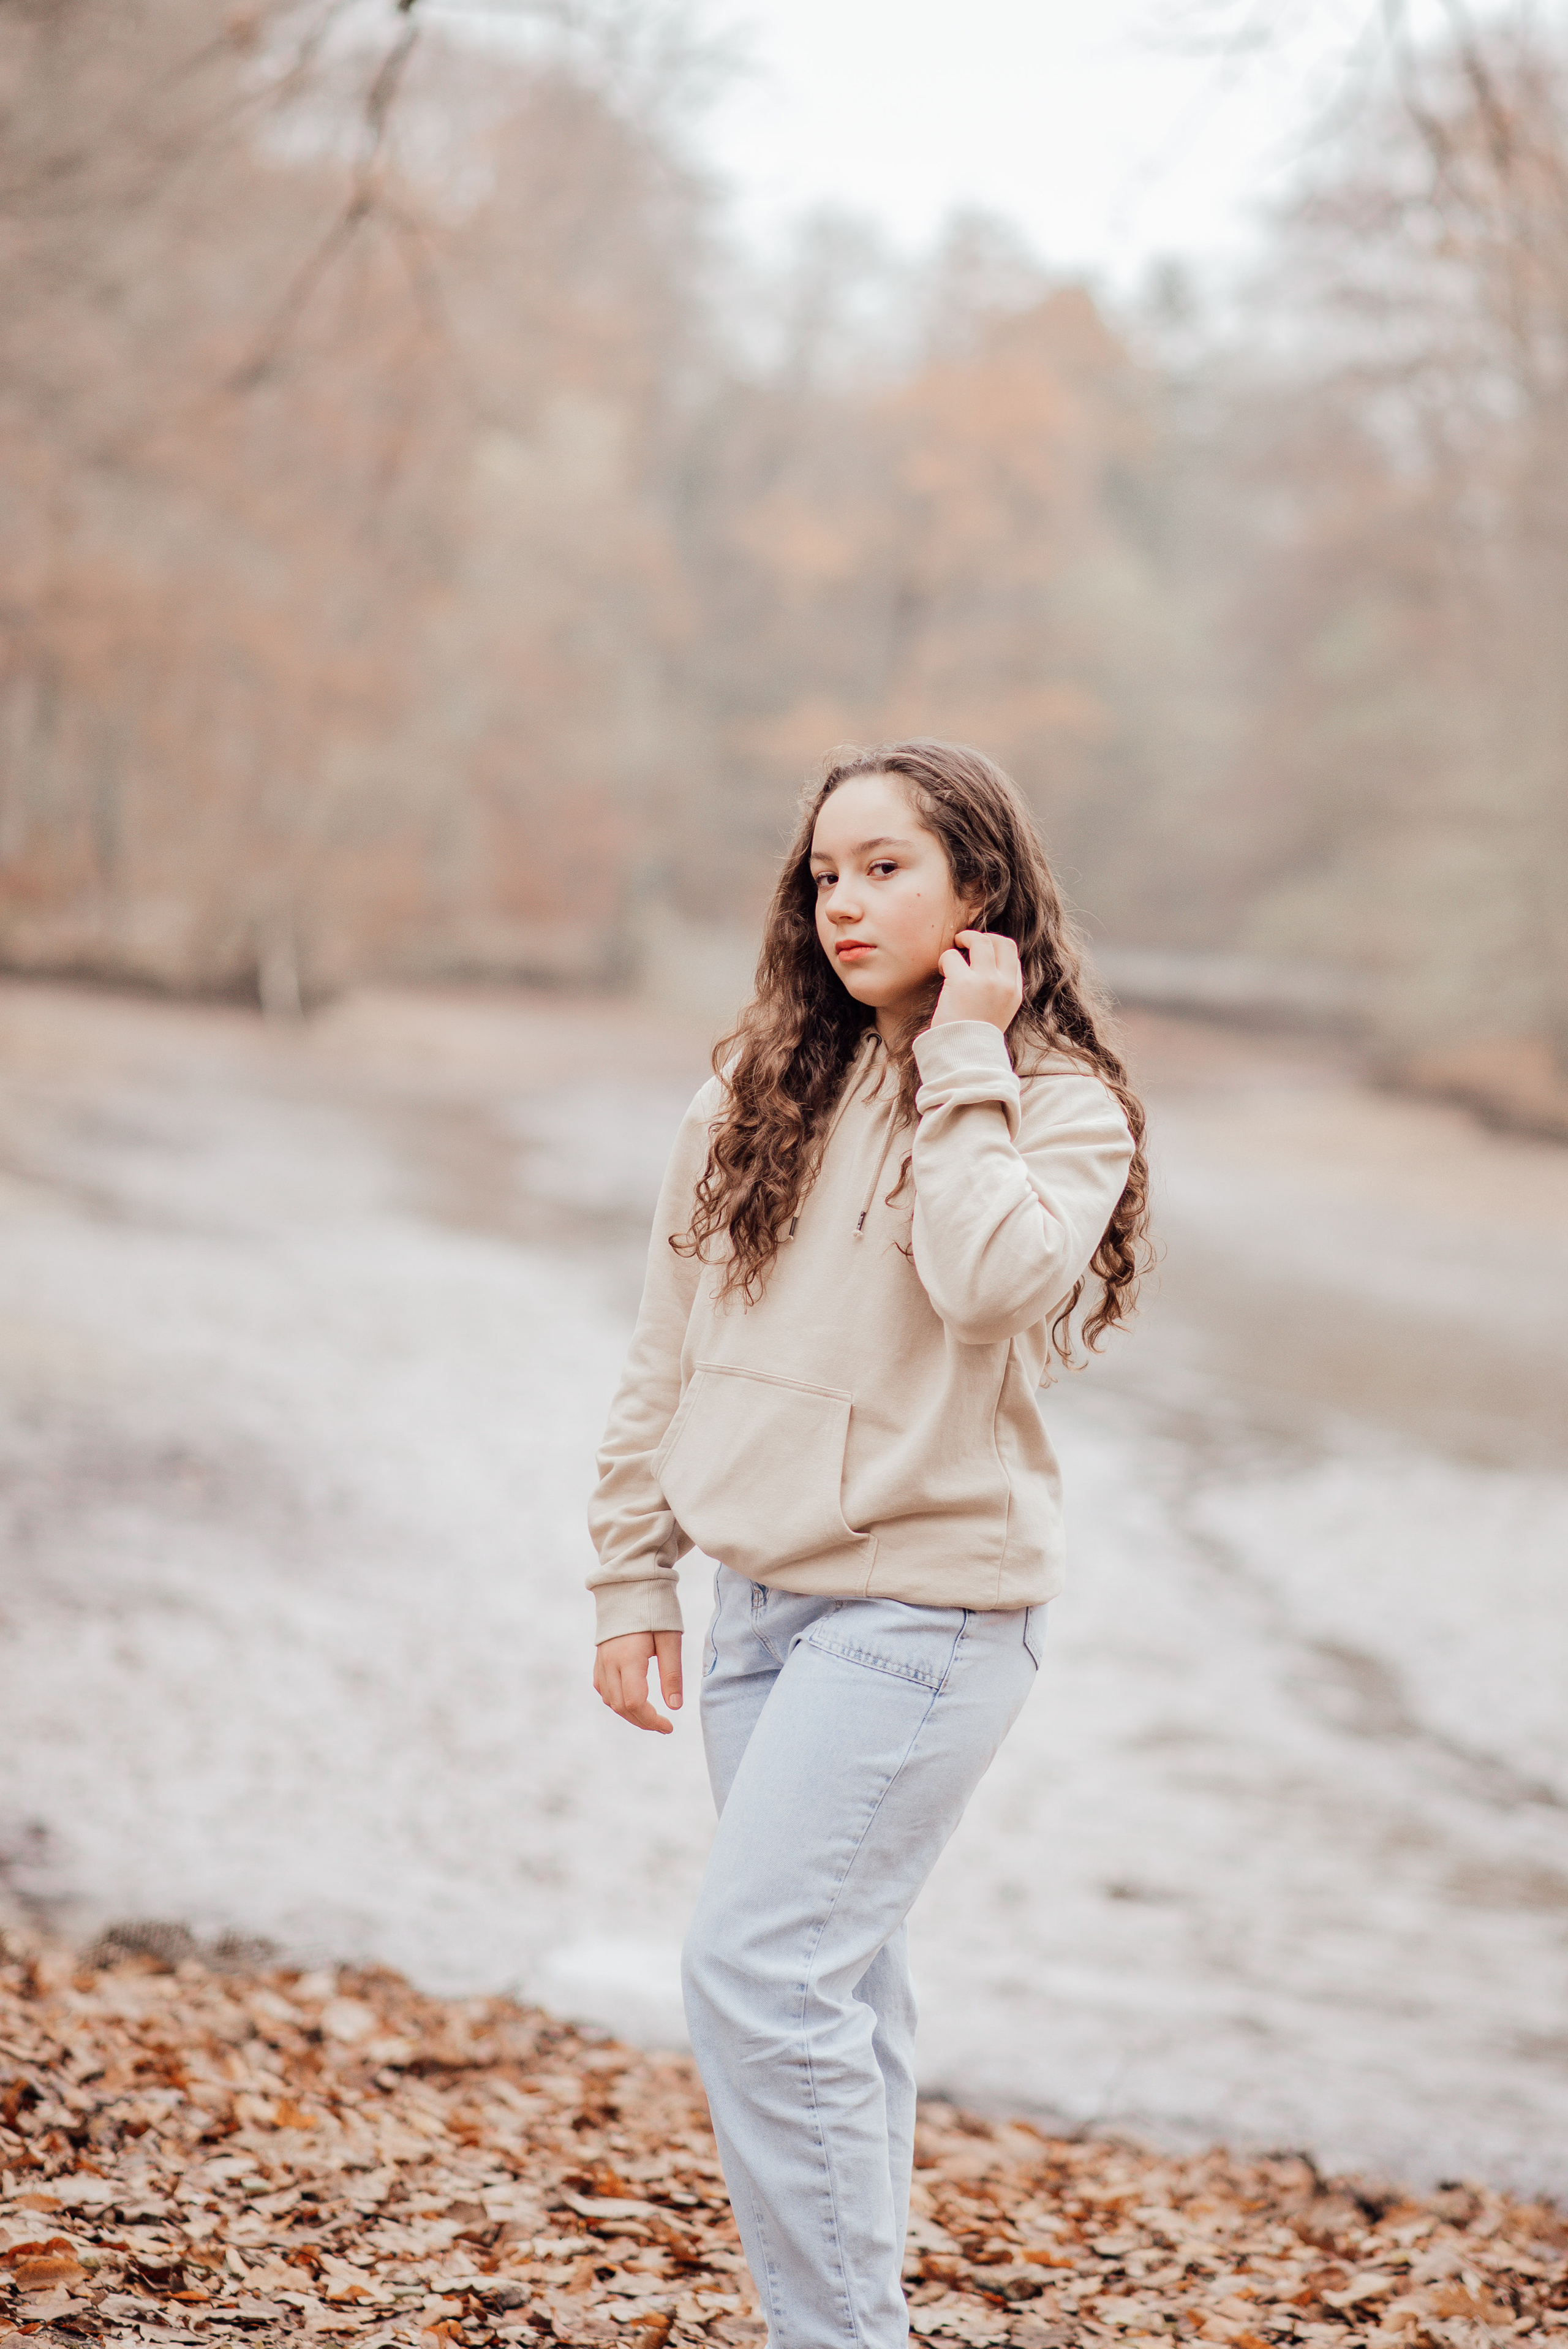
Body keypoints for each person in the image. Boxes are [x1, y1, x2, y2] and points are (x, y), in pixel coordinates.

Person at [587, 740, 1149, 2349]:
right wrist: (632, 1570)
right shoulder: (753, 1091)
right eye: (826, 872)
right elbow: (667, 1351)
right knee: (834, 1988)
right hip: (759, 1610)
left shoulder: (1059, 1105)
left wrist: (964, 1060)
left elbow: (991, 1283)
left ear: (983, 889)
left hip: (927, 1618)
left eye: (887, 867)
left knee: (757, 1974)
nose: (844, 900)